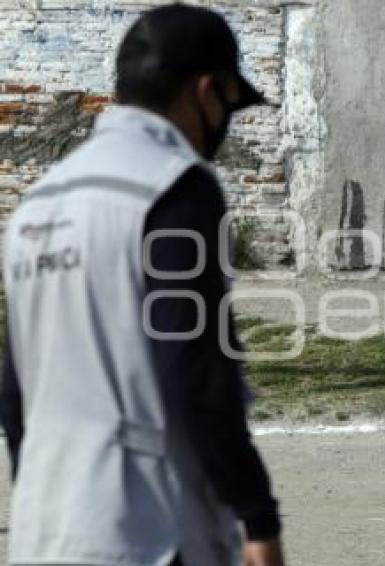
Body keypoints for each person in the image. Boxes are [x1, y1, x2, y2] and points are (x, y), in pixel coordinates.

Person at [0, 5, 285, 565]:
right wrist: (258, 517)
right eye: (229, 104)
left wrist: (47, 502)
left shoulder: (38, 204)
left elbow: (13, 387)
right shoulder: (174, 187)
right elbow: (198, 372)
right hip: (149, 532)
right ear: (207, 92)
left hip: (44, 531)